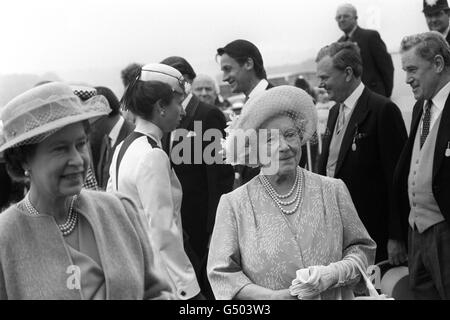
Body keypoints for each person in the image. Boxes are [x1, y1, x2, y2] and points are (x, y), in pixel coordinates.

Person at [0, 82, 171, 299]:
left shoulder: (118, 210)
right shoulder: (5, 238)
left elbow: (155, 292)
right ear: (24, 160)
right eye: (60, 149)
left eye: (80, 144)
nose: (77, 159)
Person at [207, 86, 376, 300]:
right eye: (270, 139)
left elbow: (363, 250)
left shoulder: (332, 189)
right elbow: (222, 274)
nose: (284, 146)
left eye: (290, 135)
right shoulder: (234, 204)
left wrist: (333, 274)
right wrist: (271, 298)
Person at [107, 63, 204, 300]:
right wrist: (189, 290)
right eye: (177, 103)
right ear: (161, 106)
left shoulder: (122, 147)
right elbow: (163, 229)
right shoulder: (152, 154)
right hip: (164, 280)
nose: (182, 111)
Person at [316, 41, 408, 263]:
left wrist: (397, 236)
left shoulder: (382, 110)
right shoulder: (335, 112)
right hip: (342, 237)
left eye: (325, 77)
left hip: (375, 234)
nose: (320, 85)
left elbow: (397, 178)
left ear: (348, 73)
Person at [160, 56, 235, 299]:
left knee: (208, 286)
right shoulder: (165, 117)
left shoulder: (208, 115)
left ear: (187, 82)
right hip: (178, 220)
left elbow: (219, 176)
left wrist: (216, 224)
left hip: (202, 218)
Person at [392, 31, 450, 299]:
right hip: (417, 233)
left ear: (438, 64)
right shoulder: (420, 109)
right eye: (405, 70)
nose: (407, 79)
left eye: (412, 69)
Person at [216, 39, 274, 186]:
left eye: (228, 69)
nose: (224, 78)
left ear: (248, 64)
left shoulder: (274, 100)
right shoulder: (249, 103)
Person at [335, 3, 394, 97]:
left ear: (355, 18)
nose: (341, 19)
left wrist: (386, 95)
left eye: (346, 16)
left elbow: (386, 67)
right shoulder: (339, 44)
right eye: (338, 17)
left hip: (374, 95)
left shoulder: (370, 37)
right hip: (351, 98)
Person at [89, 86, 135, 190]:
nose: (88, 123)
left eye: (90, 116)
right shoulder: (106, 138)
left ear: (101, 114)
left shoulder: (133, 136)